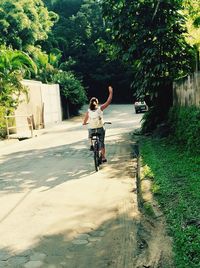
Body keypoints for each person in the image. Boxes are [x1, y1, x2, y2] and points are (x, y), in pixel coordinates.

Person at [82, 86, 113, 163]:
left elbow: (85, 120)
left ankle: (91, 144)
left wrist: (84, 123)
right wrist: (111, 93)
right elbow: (108, 102)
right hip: (100, 127)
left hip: (92, 129)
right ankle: (103, 157)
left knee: (90, 135)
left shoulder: (88, 111)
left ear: (90, 104)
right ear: (97, 103)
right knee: (101, 142)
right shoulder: (100, 109)